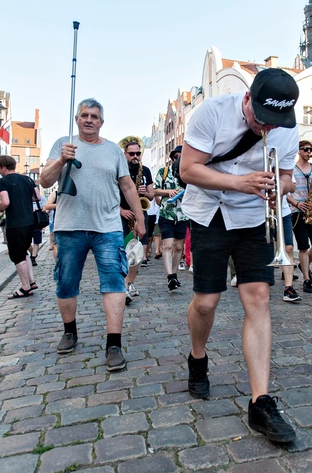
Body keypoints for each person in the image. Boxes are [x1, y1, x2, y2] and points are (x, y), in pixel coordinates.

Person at [179, 68, 299, 444]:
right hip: (209, 212)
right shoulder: (211, 113)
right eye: (259, 119)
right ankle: (197, 357)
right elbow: (188, 170)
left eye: (273, 123)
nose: (265, 128)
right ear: (247, 99)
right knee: (206, 301)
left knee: (259, 297)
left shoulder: (286, 126)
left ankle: (260, 401)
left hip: (252, 217)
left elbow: (287, 177)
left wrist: (275, 188)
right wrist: (238, 183)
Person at [39, 98, 145, 373]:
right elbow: (44, 181)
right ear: (76, 119)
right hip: (70, 225)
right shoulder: (64, 144)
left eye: (94, 116)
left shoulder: (112, 151)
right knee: (66, 282)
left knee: (114, 282)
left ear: (101, 121)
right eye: (84, 115)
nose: (89, 120)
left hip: (107, 227)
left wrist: (140, 217)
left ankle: (114, 344)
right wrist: (63, 158)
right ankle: (70, 331)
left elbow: (128, 186)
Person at [0, 155, 40, 299]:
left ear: (3, 167)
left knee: (17, 255)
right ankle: (31, 281)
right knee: (25, 252)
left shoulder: (2, 181)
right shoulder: (27, 179)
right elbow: (37, 197)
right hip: (30, 221)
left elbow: (5, 201)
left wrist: (0, 208)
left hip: (15, 223)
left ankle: (25, 287)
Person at [286, 140, 312, 294]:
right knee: (303, 246)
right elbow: (285, 192)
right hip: (297, 211)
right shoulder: (291, 169)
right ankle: (306, 279)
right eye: (306, 150)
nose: (309, 152)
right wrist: (297, 204)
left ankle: (304, 266)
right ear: (299, 151)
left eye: (311, 150)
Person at [119, 138, 155, 301]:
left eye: (138, 153)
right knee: (123, 251)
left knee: (137, 252)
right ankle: (122, 285)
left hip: (140, 214)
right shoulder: (119, 170)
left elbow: (151, 194)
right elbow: (110, 195)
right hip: (122, 215)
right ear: (125, 154)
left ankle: (130, 283)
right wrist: (121, 210)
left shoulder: (145, 171)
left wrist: (145, 193)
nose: (135, 156)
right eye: (131, 153)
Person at [154, 145, 189, 291]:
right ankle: (170, 276)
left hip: (183, 214)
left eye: (181, 155)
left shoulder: (188, 173)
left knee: (179, 246)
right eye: (175, 156)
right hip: (166, 213)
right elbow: (154, 190)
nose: (178, 158)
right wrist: (168, 192)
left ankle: (174, 274)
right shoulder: (163, 172)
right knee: (167, 245)